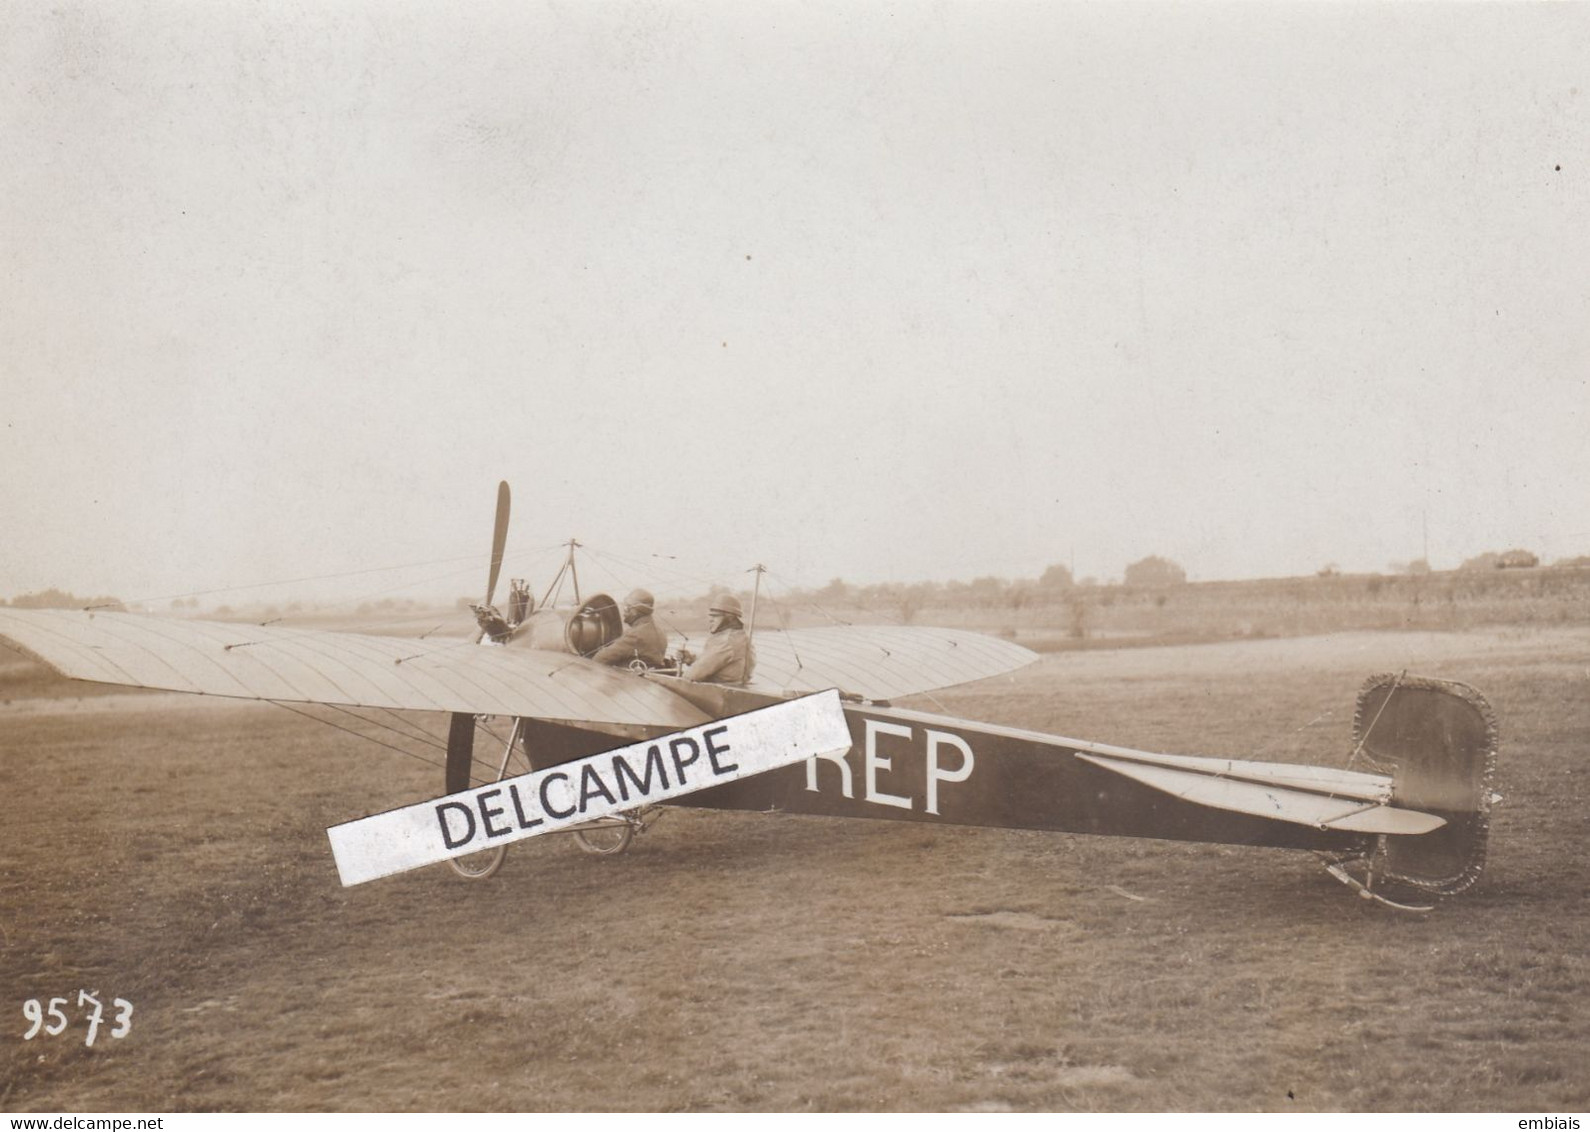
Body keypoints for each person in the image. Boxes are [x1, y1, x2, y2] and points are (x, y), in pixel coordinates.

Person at [682, 593, 755, 684]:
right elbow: (719, 661)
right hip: (735, 689)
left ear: (730, 618)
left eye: (715, 616)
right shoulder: (740, 637)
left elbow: (692, 675)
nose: (711, 619)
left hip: (719, 693)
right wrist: (692, 659)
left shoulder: (726, 641)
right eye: (711, 615)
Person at [591, 588, 670, 669]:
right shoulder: (660, 631)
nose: (624, 612)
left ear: (635, 611)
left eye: (627, 608)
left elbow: (600, 659)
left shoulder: (635, 635)